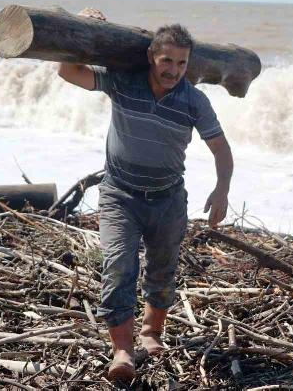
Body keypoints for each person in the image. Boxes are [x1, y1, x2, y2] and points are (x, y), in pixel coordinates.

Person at [58, 24, 233, 381]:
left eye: (182, 63)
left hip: (168, 198)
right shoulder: (124, 81)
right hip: (119, 196)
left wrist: (222, 189)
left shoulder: (194, 101)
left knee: (163, 269)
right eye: (167, 60)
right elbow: (68, 72)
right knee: (118, 265)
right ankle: (123, 350)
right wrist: (80, 24)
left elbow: (221, 148)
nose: (174, 70)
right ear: (152, 56)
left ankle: (151, 333)